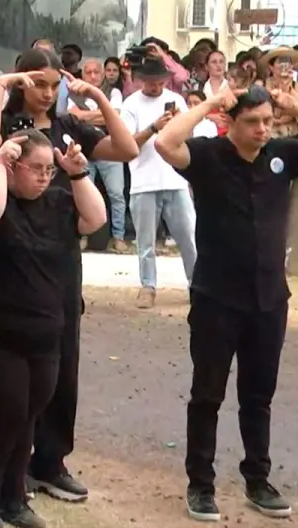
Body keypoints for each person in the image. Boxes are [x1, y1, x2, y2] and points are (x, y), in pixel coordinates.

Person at [0, 48, 138, 504]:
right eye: (37, 84)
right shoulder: (8, 128)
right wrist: (2, 85)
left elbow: (126, 149)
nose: (47, 93)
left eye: (53, 85)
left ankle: (50, 461)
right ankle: (10, 464)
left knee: (62, 368)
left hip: (62, 261)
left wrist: (100, 100)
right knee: (16, 373)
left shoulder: (69, 128)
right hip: (12, 259)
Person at [0, 129, 106, 528]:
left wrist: (76, 174)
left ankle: (14, 499)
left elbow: (96, 219)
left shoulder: (57, 200)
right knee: (6, 411)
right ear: (14, 166)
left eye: (48, 170)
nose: (42, 177)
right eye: (34, 168)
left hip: (42, 334)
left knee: (28, 416)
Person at [155, 86, 295, 522]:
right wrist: (210, 104)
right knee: (208, 394)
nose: (262, 129)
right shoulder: (209, 155)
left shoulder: (282, 155)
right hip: (218, 297)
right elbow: (164, 143)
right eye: (252, 122)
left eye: (268, 121)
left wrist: (292, 106)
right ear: (230, 123)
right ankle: (200, 485)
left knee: (259, 395)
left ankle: (258, 480)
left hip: (269, 298)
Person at [119, 57, 197, 309]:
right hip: (143, 180)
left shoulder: (178, 102)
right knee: (145, 242)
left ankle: (197, 285)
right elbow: (128, 143)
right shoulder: (131, 104)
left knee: (189, 238)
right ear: (141, 80)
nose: (155, 86)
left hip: (175, 179)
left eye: (159, 82)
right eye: (151, 82)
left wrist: (174, 127)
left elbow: (189, 134)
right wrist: (154, 127)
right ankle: (148, 286)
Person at [67, 57, 126, 252]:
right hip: (83, 152)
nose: (92, 77)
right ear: (82, 75)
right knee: (82, 195)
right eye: (88, 72)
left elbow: (114, 117)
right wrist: (102, 115)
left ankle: (119, 236)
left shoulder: (114, 92)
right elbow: (73, 118)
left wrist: (85, 117)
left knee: (116, 194)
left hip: (109, 150)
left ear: (102, 74)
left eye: (96, 72)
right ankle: (83, 236)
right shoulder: (71, 93)